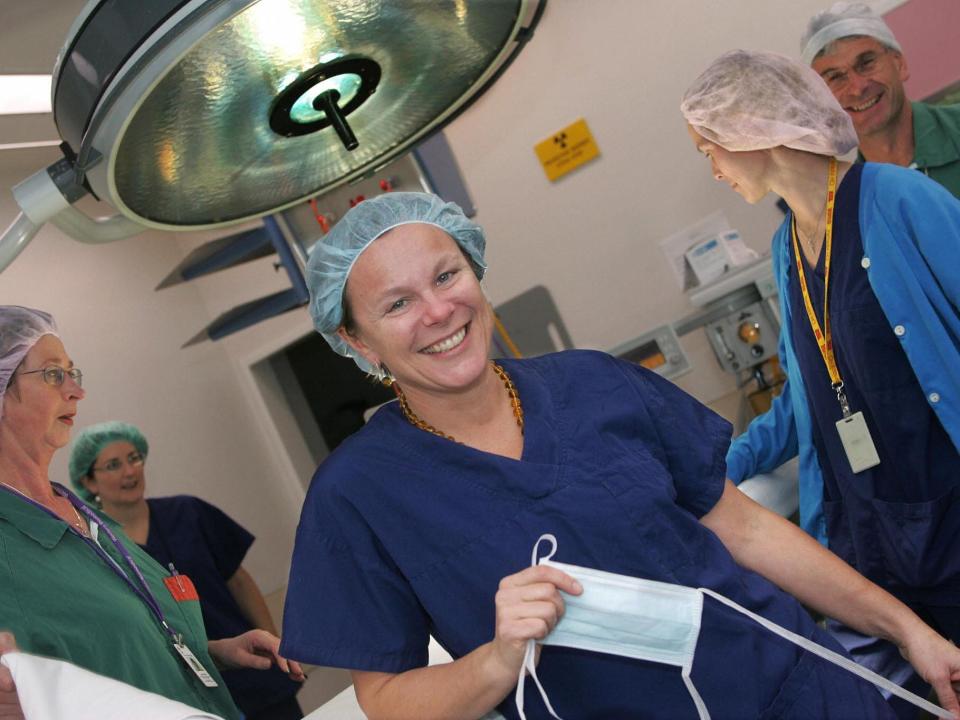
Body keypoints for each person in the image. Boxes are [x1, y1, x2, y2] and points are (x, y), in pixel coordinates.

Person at [278, 192, 960, 719]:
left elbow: (745, 528)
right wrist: (496, 661)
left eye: (446, 274)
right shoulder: (357, 494)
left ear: (475, 272)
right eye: (397, 304)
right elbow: (387, 699)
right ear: (358, 341)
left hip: (799, 690)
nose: (437, 311)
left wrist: (908, 631)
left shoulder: (594, 383)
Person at [682, 49, 960, 717]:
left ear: (754, 128)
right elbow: (807, 395)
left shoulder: (899, 200)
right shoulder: (786, 247)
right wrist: (709, 467)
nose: (714, 169)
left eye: (710, 148)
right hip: (873, 543)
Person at [0, 306, 304, 720]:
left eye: (74, 373)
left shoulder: (82, 517)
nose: (76, 391)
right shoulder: (9, 546)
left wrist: (216, 651)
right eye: (54, 374)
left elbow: (120, 650)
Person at [68, 421, 303, 720]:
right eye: (113, 465)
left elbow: (240, 582)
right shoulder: (99, 549)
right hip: (183, 695)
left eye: (134, 458)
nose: (129, 471)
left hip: (252, 672)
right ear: (88, 481)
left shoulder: (189, 512)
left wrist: (274, 641)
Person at [801, 1, 960, 197]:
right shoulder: (852, 204)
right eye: (835, 77)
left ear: (899, 63)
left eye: (866, 63)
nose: (858, 88)